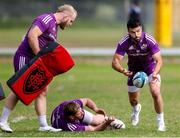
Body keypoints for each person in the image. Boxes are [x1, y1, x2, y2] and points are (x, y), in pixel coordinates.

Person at [0, 4, 77, 133]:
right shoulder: (46, 19)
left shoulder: (54, 27)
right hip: (25, 57)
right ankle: (2, 121)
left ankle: (43, 125)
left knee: (42, 90)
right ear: (65, 16)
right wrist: (39, 56)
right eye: (71, 20)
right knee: (20, 89)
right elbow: (32, 35)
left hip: (36, 61)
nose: (70, 24)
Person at [112, 18, 166, 131]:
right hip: (134, 71)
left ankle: (161, 123)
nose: (136, 34)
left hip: (151, 69)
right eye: (133, 32)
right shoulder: (124, 42)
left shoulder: (149, 40)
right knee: (133, 101)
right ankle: (136, 109)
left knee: (156, 92)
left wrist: (155, 73)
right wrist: (122, 70)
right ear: (128, 31)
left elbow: (159, 60)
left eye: (138, 31)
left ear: (141, 29)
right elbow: (115, 62)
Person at [51, 98, 126, 131]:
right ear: (72, 117)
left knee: (96, 121)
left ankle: (106, 119)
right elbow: (94, 129)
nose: (83, 113)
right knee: (93, 126)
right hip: (64, 120)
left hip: (67, 114)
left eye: (81, 110)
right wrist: (106, 124)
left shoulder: (74, 105)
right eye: (79, 114)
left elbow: (86, 100)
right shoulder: (70, 126)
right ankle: (108, 122)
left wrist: (96, 109)